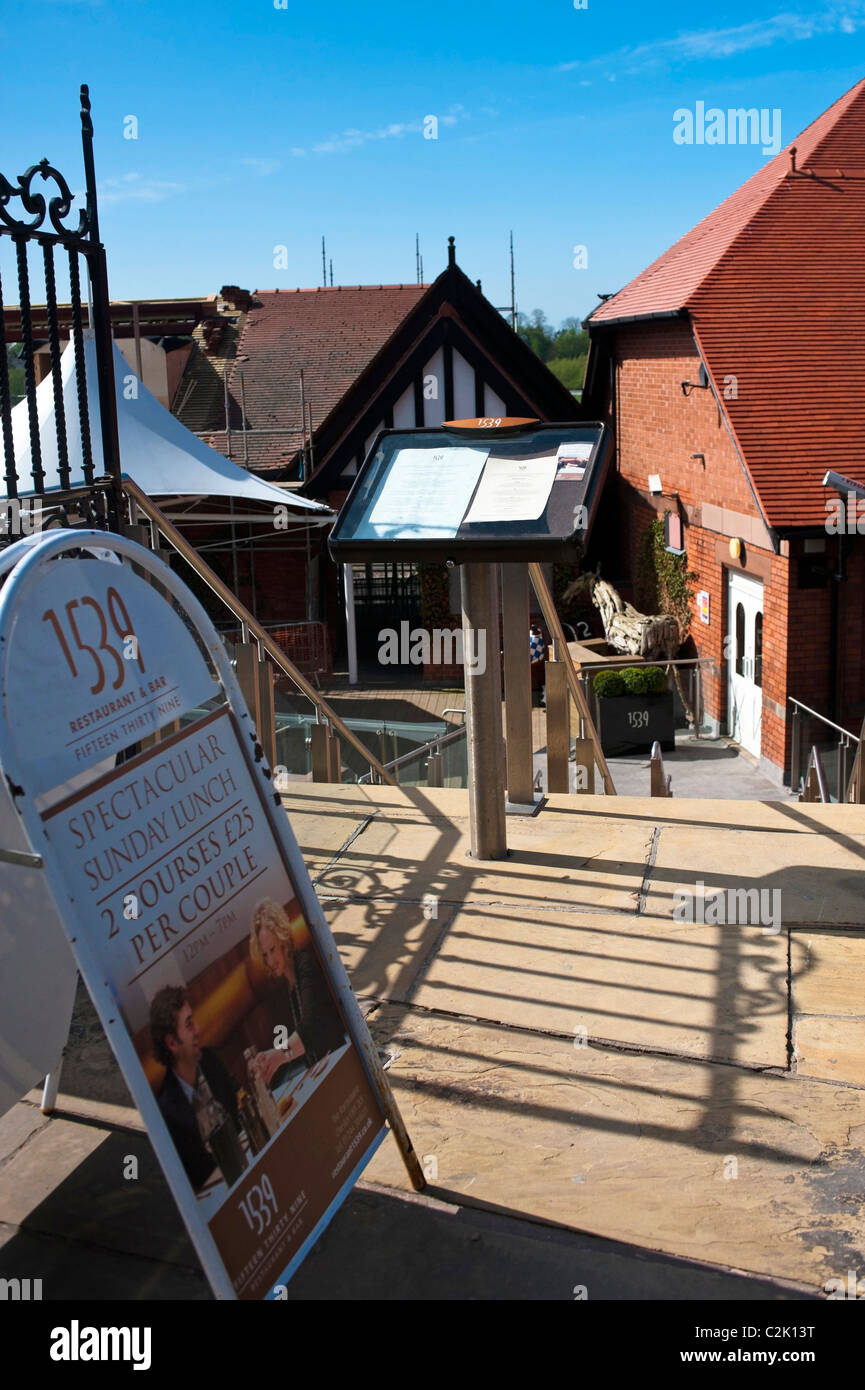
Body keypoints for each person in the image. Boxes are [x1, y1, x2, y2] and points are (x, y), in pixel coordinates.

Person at [248, 899, 347, 1088]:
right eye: (265, 955)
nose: (270, 960)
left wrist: (278, 1055)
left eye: (272, 950)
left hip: (343, 1061)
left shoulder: (305, 964)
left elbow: (310, 1027)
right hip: (326, 1070)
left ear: (283, 939)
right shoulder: (290, 984)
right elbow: (300, 1039)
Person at [150, 986, 240, 1190]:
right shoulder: (167, 1112)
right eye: (189, 1025)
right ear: (172, 1043)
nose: (198, 1029)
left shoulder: (210, 1060)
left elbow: (238, 1107)